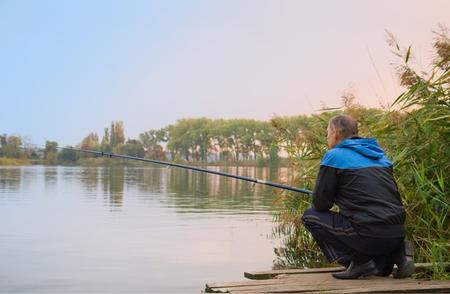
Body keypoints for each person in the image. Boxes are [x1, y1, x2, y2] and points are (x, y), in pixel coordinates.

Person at [301, 115, 415, 279]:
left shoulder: (334, 155)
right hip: (396, 233)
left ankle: (359, 262)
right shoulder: (381, 156)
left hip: (368, 232)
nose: (327, 137)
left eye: (327, 133)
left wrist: (333, 198)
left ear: (335, 133)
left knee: (310, 216)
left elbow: (320, 205)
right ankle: (400, 255)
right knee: (381, 270)